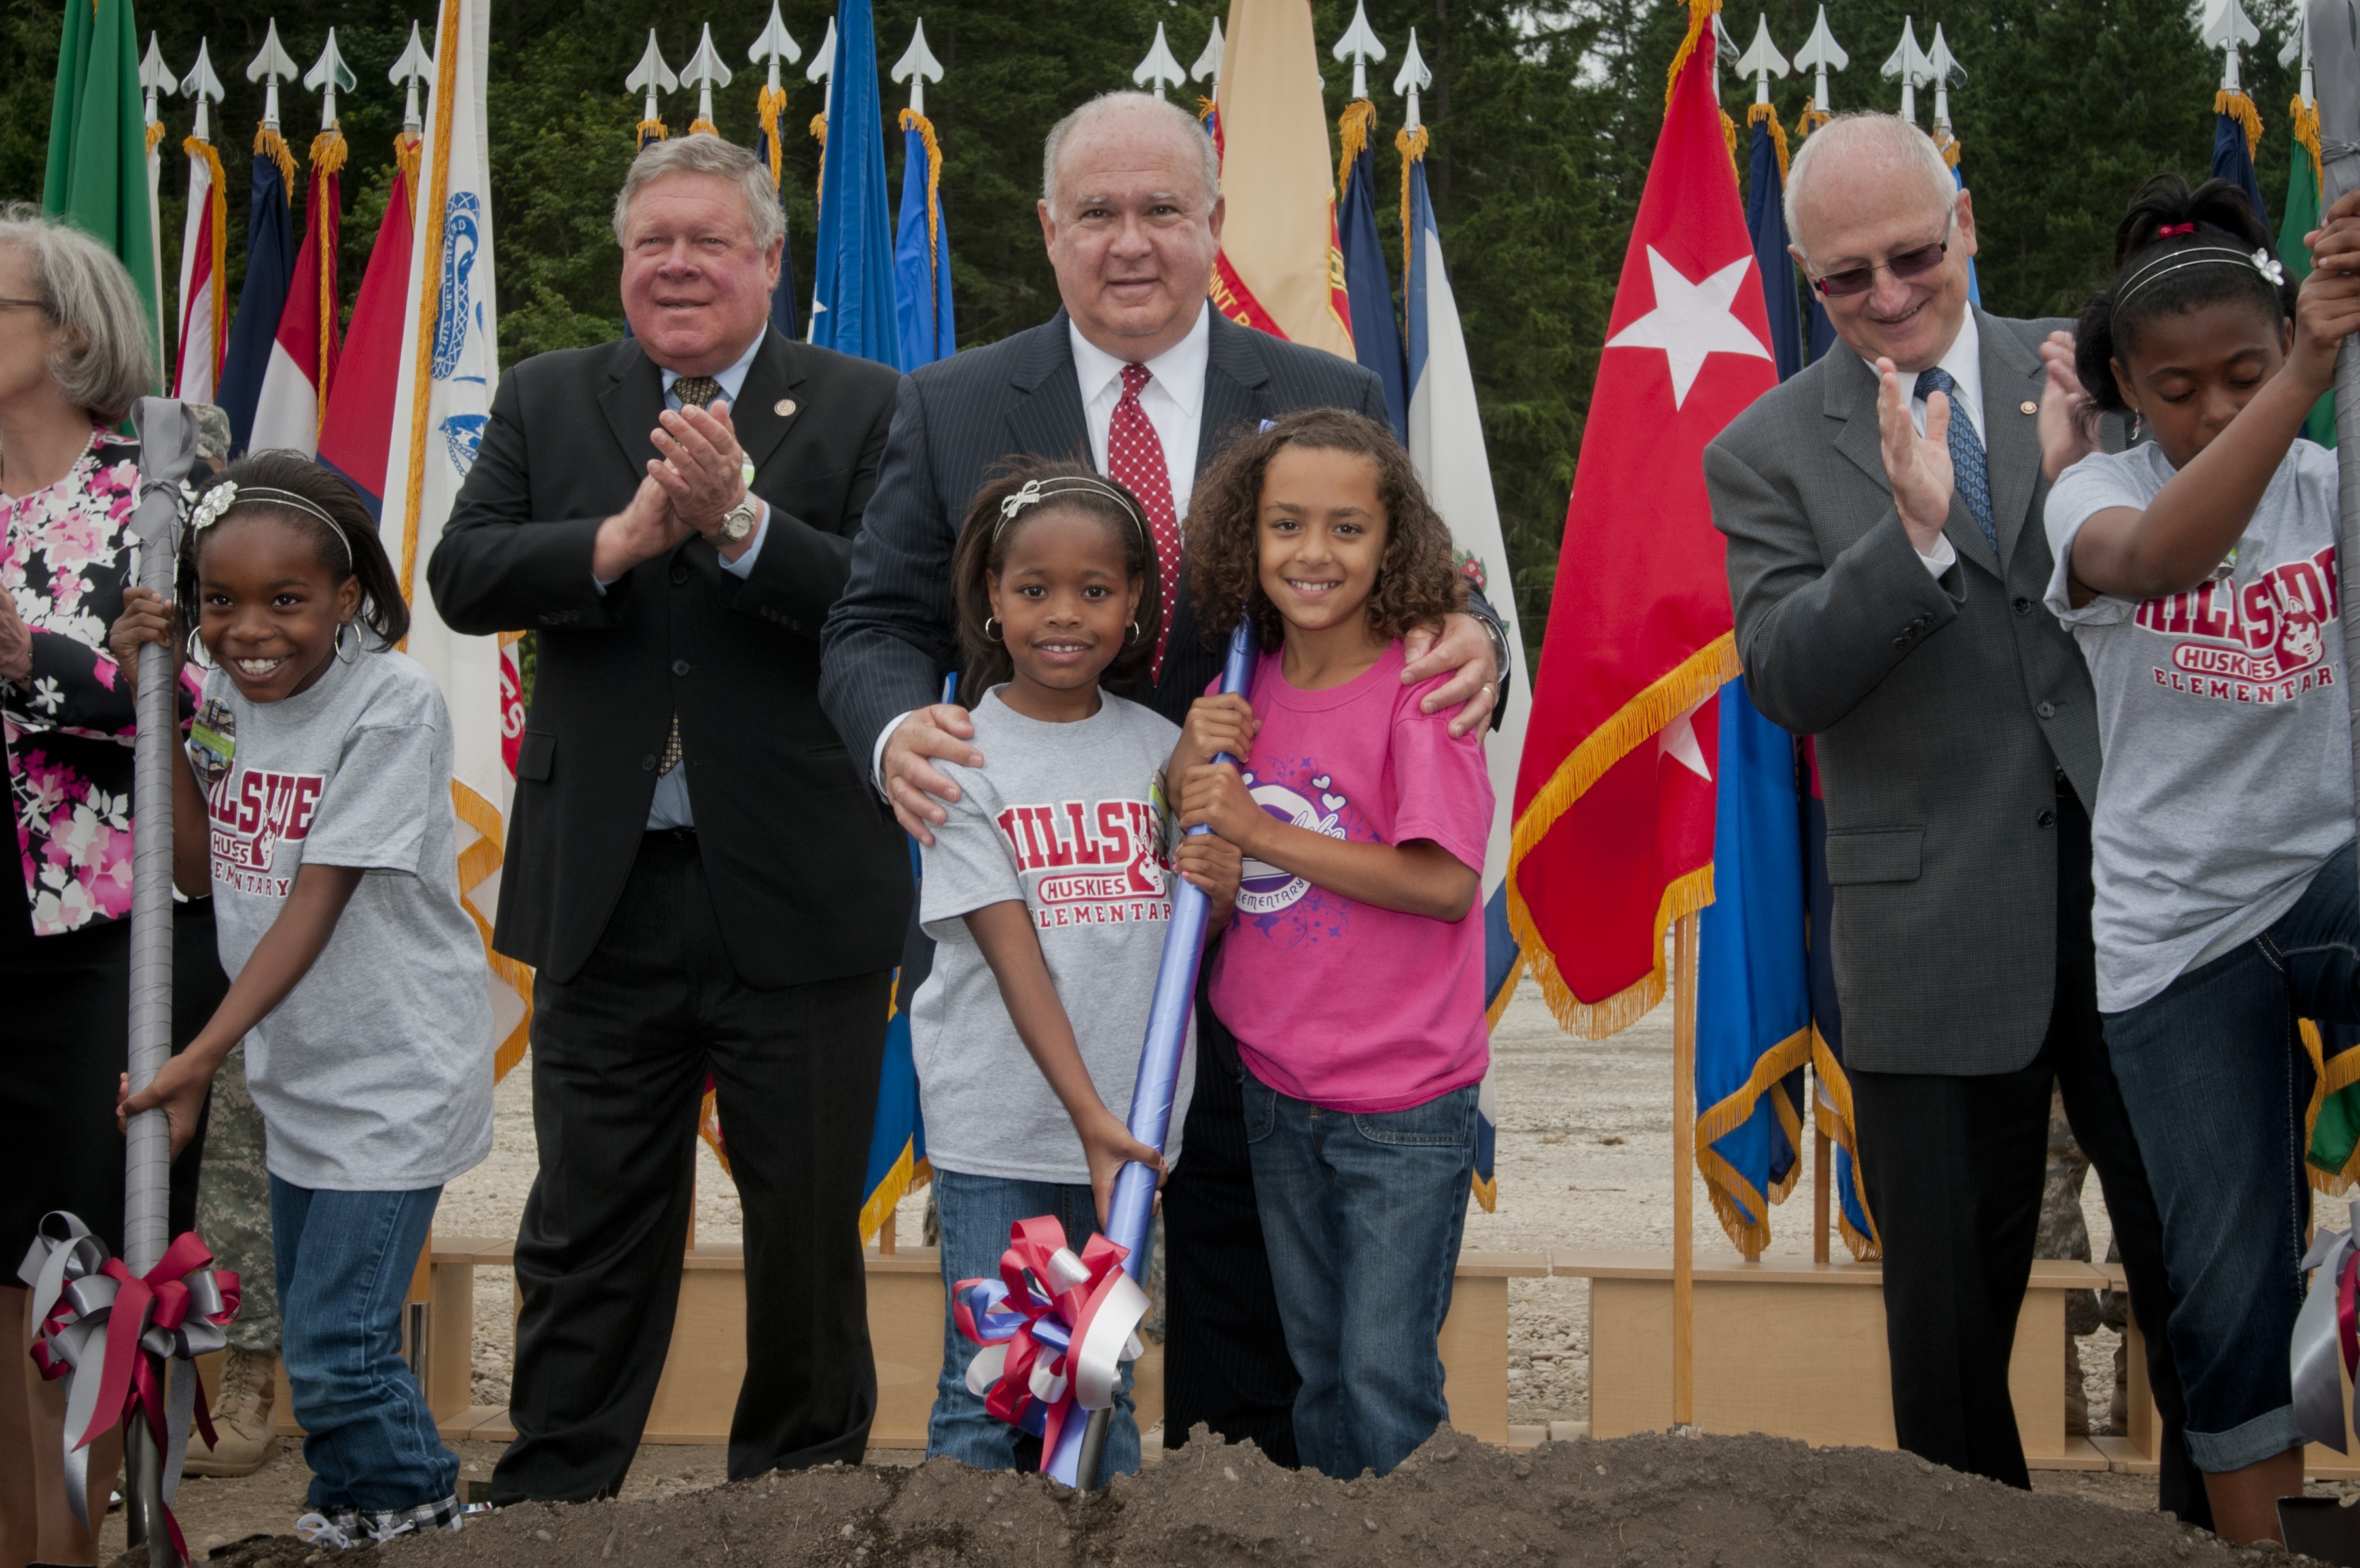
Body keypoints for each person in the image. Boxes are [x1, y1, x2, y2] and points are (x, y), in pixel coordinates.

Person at [821, 89, 1507, 1464]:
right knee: (1044, 1325)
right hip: (1056, 920)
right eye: (1098, 214)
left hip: (1270, 921)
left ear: (1212, 225)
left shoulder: (1331, 394)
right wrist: (901, 732)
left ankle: (1243, 1515)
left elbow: (1416, 582)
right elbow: (873, 622)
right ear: (1048, 232)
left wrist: (1472, 632)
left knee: (1255, 1289)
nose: (1130, 244)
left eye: (1161, 212)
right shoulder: (951, 403)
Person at [1701, 113, 2206, 1515]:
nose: (1885, 295)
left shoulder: (2097, 374)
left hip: (2155, 902)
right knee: (1944, 1325)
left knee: (2202, 1270)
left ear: (1967, 226)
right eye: (1844, 277)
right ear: (1804, 277)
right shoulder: (1760, 450)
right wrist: (1913, 535)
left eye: (1911, 254)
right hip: (1928, 934)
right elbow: (1790, 679)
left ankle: (2216, 1541)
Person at [427, 134, 910, 1500]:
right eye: (655, 243)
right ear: (622, 262)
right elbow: (461, 575)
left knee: (805, 1230)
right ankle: (553, 1504)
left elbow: (897, 601)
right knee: (586, 1225)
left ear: (769, 261)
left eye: (710, 241)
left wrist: (743, 521)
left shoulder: (869, 402)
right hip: (606, 892)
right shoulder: (548, 397)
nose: (679, 265)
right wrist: (624, 538)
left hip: (802, 895)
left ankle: (800, 1503)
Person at [2037, 176, 2360, 1543]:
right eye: (2182, 389)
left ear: (2283, 336)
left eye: (2247, 372)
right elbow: (2169, 556)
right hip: (2178, 935)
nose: (2220, 410)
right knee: (2226, 1281)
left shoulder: (2341, 486)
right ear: (2123, 384)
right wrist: (2305, 371)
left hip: (2331, 877)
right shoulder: (2089, 495)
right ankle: (2264, 1542)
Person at [112, 452, 492, 1545]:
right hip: (299, 1068)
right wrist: (157, 704)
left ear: (349, 598)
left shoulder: (391, 704)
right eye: (218, 603)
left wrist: (197, 1059)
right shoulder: (221, 691)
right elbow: (196, 866)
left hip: (393, 1067)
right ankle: (349, 1520)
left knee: (338, 1351)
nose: (249, 630)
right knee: (329, 1344)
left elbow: (313, 904)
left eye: (286, 601)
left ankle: (425, 1526)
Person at [1172, 409, 1492, 1481]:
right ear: (1243, 539)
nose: (1313, 554)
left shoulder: (1422, 686)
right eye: (1285, 525)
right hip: (1273, 1087)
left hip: (1400, 1106)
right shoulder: (1239, 681)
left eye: (1347, 528)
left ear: (1392, 538)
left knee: (1383, 1379)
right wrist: (1190, 785)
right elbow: (1216, 900)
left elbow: (1447, 885)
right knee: (1316, 1374)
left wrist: (1262, 830)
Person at [912, 461, 1240, 1476]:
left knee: (1100, 1389)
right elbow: (1014, 958)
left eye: (1095, 592)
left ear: (1136, 600)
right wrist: (1089, 1118)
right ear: (990, 599)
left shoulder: (1163, 749)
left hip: (1134, 1132)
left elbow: (1189, 938)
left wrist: (1219, 883)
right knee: (994, 1383)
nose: (1065, 615)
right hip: (1006, 1127)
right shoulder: (958, 753)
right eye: (1034, 590)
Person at [0, 207, 225, 1568]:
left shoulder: (165, 498)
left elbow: (216, 706)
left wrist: (33, 657)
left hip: (109, 936)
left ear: (70, 336)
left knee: (82, 1268)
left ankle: (89, 1547)